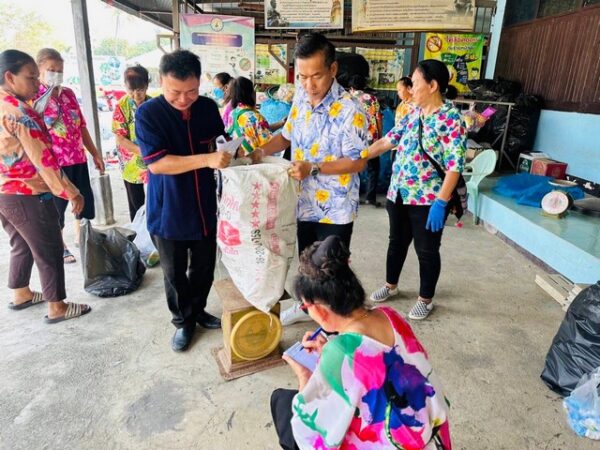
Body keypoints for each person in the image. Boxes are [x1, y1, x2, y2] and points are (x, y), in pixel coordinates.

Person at [270, 235, 451, 450]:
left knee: (282, 403)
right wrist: (331, 353)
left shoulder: (342, 353)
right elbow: (374, 366)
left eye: (305, 308)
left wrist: (305, 378)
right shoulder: (390, 315)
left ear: (317, 308)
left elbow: (311, 432)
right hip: (431, 434)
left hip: (388, 442)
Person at [255, 32, 369, 326]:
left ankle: (336, 322)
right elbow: (286, 136)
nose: (308, 84)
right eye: (302, 77)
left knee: (332, 269)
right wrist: (259, 152)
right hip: (304, 201)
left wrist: (314, 168)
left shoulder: (351, 110)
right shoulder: (301, 100)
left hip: (336, 208)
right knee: (307, 261)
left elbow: (358, 161)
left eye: (316, 76)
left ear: (332, 69)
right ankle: (308, 308)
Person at [135, 49, 232, 352]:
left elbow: (220, 140)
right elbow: (158, 164)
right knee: (174, 273)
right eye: (175, 92)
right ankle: (182, 321)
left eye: (191, 91)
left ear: (199, 83)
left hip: (204, 204)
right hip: (169, 208)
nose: (183, 99)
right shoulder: (148, 114)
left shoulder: (206, 107)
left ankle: (198, 309)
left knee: (204, 267)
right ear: (161, 82)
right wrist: (207, 159)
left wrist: (230, 151)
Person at [365, 60, 466, 320]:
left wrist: (441, 202)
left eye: (415, 83)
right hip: (398, 193)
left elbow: (455, 166)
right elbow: (389, 140)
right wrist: (361, 154)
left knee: (427, 250)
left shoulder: (451, 119)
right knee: (396, 243)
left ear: (432, 86)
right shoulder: (413, 112)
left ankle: (426, 299)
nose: (411, 89)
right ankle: (391, 285)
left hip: (428, 200)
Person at [0, 49, 91, 323]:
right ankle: (57, 306)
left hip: (5, 193)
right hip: (28, 192)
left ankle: (22, 293)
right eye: (31, 78)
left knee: (21, 243)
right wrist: (70, 192)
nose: (38, 84)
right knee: (49, 247)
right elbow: (44, 160)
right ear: (9, 77)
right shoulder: (20, 113)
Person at [35, 48, 104, 264]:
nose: (56, 74)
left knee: (83, 202)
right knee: (57, 208)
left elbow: (81, 126)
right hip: (54, 164)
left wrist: (95, 153)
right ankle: (61, 246)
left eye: (60, 70)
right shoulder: (35, 99)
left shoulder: (68, 94)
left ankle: (80, 238)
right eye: (51, 70)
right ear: (39, 71)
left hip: (78, 159)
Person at [111, 65, 150, 221]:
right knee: (136, 203)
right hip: (131, 164)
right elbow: (120, 138)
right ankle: (138, 237)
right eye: (131, 90)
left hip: (153, 161)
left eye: (140, 90)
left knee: (157, 200)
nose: (135, 95)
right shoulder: (122, 106)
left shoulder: (153, 104)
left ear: (147, 85)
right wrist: (142, 152)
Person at [348, 73, 382, 207]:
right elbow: (378, 118)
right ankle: (370, 198)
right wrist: (379, 136)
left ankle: (353, 196)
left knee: (353, 168)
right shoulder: (372, 98)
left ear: (351, 87)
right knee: (373, 169)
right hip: (371, 139)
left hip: (354, 138)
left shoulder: (348, 99)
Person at [226, 76, 272, 157]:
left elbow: (254, 130)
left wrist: (280, 123)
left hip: (238, 161)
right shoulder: (256, 117)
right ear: (250, 94)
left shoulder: (232, 114)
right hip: (254, 162)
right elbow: (269, 145)